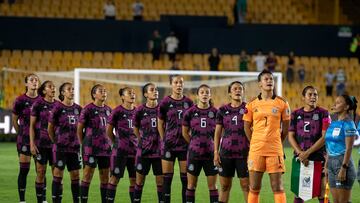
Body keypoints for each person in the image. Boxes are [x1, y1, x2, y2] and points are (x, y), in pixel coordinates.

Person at [243, 69, 291, 203]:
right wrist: (253, 142)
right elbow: (246, 126)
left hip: (274, 150)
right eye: (266, 79)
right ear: (260, 84)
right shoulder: (252, 104)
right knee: (254, 187)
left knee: (277, 186)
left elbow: (286, 128)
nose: (269, 81)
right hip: (256, 150)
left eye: (271, 79)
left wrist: (276, 142)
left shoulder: (282, 103)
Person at [288, 86, 331, 203]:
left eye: (315, 95)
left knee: (322, 193)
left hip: (319, 157)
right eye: (310, 94)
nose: (313, 97)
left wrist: (306, 153)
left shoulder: (324, 113)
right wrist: (300, 153)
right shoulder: (295, 114)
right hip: (300, 158)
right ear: (303, 98)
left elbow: (324, 137)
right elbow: (290, 136)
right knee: (299, 193)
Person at [158, 75, 193, 203]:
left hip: (184, 145)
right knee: (167, 178)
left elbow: (192, 123)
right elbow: (160, 123)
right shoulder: (165, 102)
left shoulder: (189, 102)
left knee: (185, 179)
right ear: (171, 84)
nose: (179, 85)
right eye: (176, 82)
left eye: (181, 83)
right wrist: (164, 140)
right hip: (169, 145)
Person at [214, 81, 249, 203]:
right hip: (226, 154)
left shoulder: (248, 108)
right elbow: (217, 133)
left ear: (243, 92)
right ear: (229, 93)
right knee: (224, 187)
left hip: (244, 154)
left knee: (246, 187)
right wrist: (215, 153)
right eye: (235, 89)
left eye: (240, 88)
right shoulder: (222, 110)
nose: (238, 90)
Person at [182, 84, 219, 203]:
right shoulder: (190, 112)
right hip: (194, 154)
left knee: (212, 186)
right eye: (202, 92)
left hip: (211, 154)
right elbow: (185, 133)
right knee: (191, 185)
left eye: (207, 92)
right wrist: (194, 143)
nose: (204, 94)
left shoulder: (216, 112)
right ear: (197, 95)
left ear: (210, 95)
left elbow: (220, 134)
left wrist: (214, 147)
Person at [48, 82, 82, 203]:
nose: (72, 91)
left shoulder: (79, 109)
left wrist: (80, 141)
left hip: (75, 148)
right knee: (58, 175)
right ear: (62, 93)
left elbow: (83, 128)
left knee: (76, 176)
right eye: (69, 89)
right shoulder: (57, 108)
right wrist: (56, 142)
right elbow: (50, 128)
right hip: (60, 148)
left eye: (73, 89)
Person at [78, 84, 112, 203]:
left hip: (106, 149)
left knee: (105, 177)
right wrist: (84, 144)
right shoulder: (88, 109)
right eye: (101, 91)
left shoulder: (108, 110)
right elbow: (79, 129)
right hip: (91, 149)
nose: (104, 93)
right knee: (87, 175)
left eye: (105, 91)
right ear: (94, 94)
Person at [133, 83, 163, 203]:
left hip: (159, 151)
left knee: (160, 182)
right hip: (144, 151)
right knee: (139, 181)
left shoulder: (162, 108)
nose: (155, 91)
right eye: (152, 90)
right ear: (145, 94)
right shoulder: (140, 110)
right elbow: (135, 127)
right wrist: (140, 140)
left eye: (156, 89)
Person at [106, 87, 137, 203]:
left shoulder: (137, 111)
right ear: (122, 97)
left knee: (134, 180)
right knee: (114, 179)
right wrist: (116, 142)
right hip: (120, 152)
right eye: (129, 93)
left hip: (134, 152)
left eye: (133, 93)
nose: (132, 95)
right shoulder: (117, 111)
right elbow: (108, 131)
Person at [325, 95, 358, 203]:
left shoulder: (349, 124)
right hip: (331, 165)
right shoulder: (333, 123)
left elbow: (349, 148)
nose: (335, 104)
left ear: (346, 107)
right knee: (337, 201)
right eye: (335, 102)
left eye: (338, 102)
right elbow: (329, 146)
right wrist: (326, 166)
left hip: (343, 165)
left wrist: (343, 168)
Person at [12, 73, 40, 203]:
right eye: (31, 80)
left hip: (40, 140)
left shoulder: (42, 100)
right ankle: (22, 200)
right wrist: (22, 134)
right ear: (26, 84)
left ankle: (42, 199)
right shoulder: (20, 100)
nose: (34, 82)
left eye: (36, 80)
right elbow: (15, 120)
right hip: (24, 140)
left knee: (40, 170)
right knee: (24, 169)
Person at [30, 80, 57, 203]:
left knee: (57, 174)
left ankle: (55, 200)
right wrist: (32, 143)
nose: (53, 89)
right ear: (44, 90)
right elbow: (32, 126)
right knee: (41, 172)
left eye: (54, 87)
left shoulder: (59, 105)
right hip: (41, 144)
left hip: (55, 145)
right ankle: (41, 200)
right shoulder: (38, 104)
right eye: (50, 87)